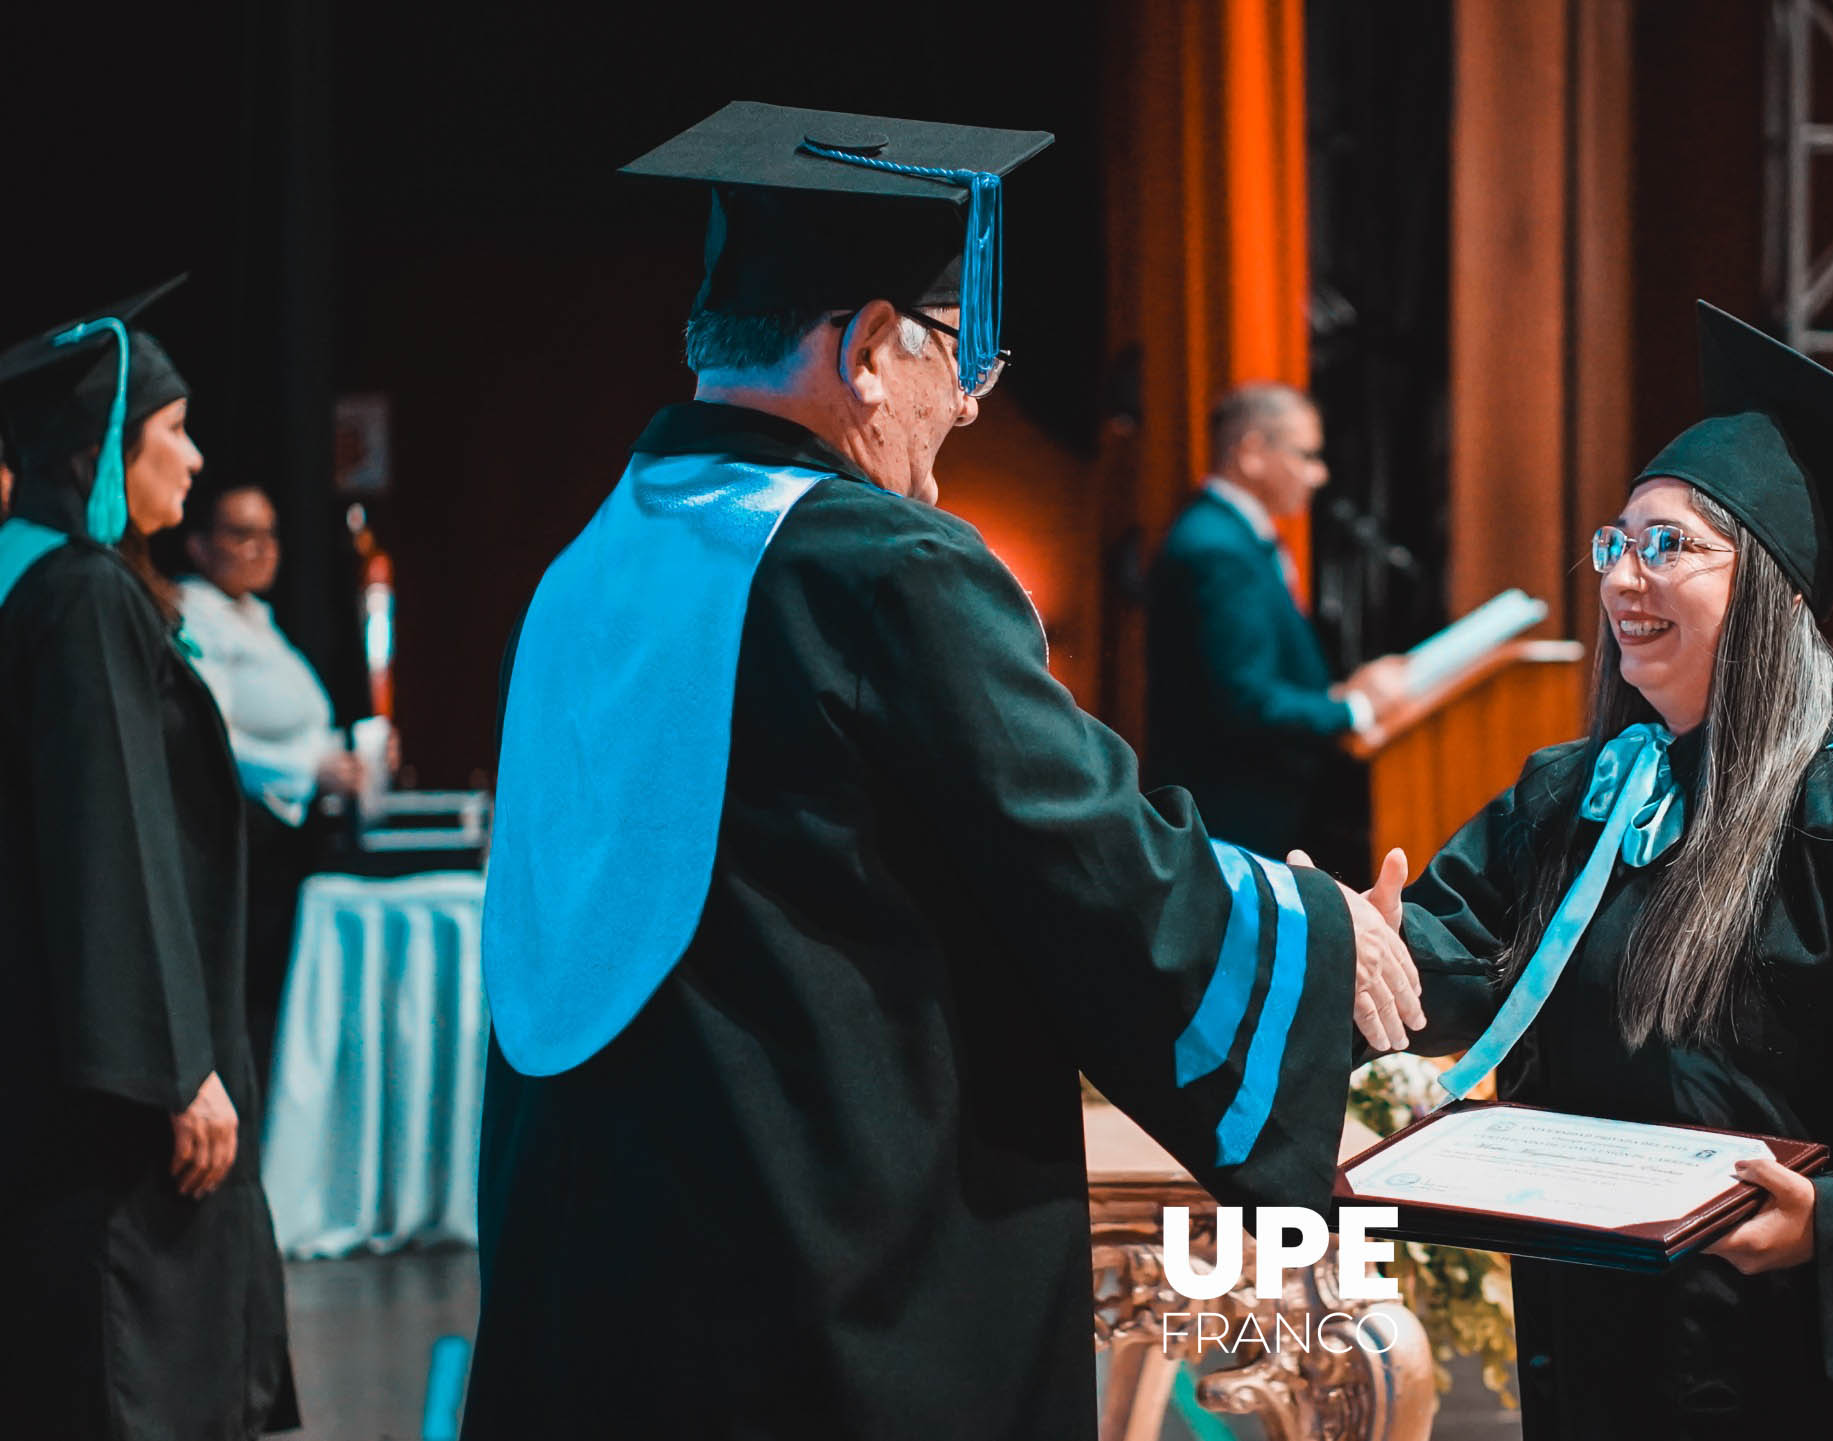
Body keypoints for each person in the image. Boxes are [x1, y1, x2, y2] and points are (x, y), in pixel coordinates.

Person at [466, 103, 1425, 1439]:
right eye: (957, 351)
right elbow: (1085, 851)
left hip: (592, 1249)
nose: (972, 395)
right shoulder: (875, 565)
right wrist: (1320, 942)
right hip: (801, 1265)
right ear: (866, 351)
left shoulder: (589, 564)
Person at [1384, 303, 1833, 1438]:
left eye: (1669, 547)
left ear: (1769, 593)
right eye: (1616, 543)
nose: (1622, 579)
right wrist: (1360, 944)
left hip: (1787, 1357)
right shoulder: (1576, 793)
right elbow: (1464, 949)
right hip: (1616, 1330)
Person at [0, 279, 300, 1437]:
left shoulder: (36, 582)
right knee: (131, 1374)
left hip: (61, 1066)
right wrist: (173, 1067)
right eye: (173, 432)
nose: (195, 455)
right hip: (123, 1113)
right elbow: (110, 839)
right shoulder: (79, 599)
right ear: (105, 450)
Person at [1147, 382, 1406, 860]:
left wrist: (1338, 696)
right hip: (1232, 813)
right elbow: (1244, 699)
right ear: (1251, 453)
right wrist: (1356, 710)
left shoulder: (1230, 534)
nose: (1319, 474)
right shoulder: (1217, 548)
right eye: (1306, 455)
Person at [180, 481, 367, 1075]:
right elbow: (211, 741)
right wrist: (312, 767)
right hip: (244, 843)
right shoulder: (196, 615)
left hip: (291, 841)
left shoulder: (255, 616)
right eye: (242, 534)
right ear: (201, 546)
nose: (262, 549)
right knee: (255, 1008)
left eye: (270, 534)